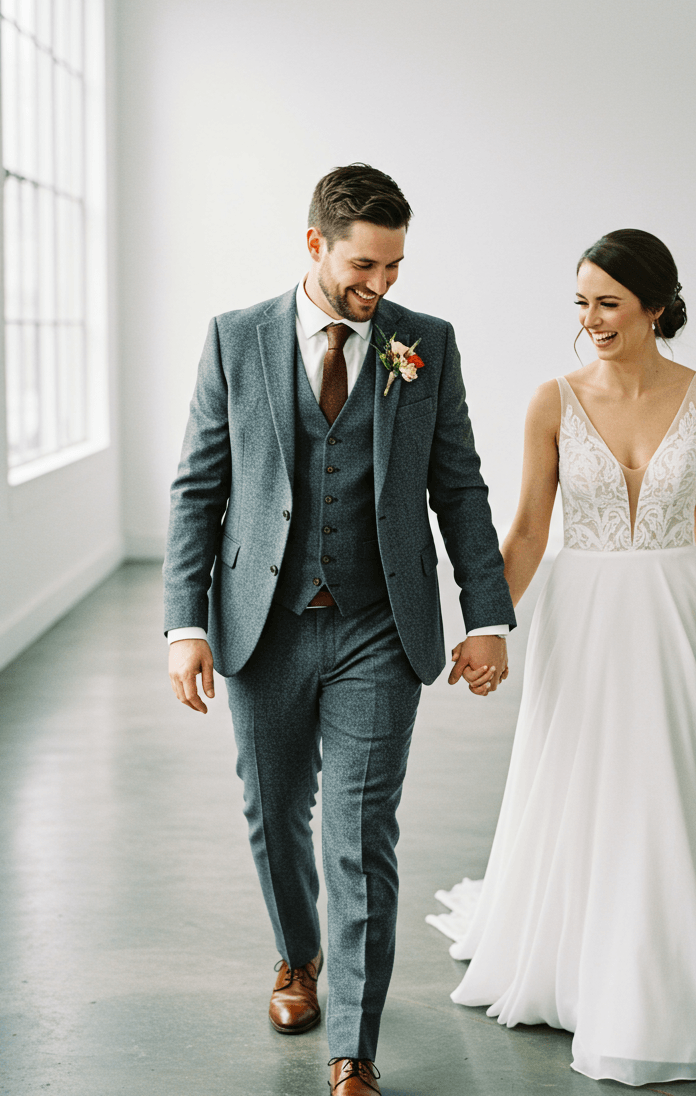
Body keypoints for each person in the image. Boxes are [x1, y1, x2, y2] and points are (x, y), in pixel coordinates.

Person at [429, 229, 696, 1085]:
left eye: (608, 302)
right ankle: (586, 956)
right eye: (581, 302)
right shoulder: (553, 400)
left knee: (679, 780)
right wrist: (486, 622)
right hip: (587, 616)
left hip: (681, 614)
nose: (591, 320)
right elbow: (531, 529)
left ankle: (681, 954)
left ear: (655, 304)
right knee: (594, 777)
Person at [163, 164, 515, 1096]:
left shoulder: (425, 345)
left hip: (377, 626)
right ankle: (297, 956)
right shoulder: (235, 339)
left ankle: (352, 1048)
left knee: (360, 832)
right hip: (262, 626)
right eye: (365, 266)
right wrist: (182, 625)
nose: (381, 286)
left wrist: (485, 615)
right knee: (274, 815)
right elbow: (200, 487)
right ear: (315, 244)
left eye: (395, 267)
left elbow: (461, 486)